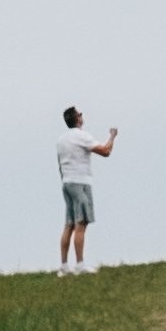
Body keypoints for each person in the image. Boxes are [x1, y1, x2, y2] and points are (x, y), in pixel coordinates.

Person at [57, 105, 116, 269]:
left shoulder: (61, 140)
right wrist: (112, 136)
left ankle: (63, 266)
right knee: (80, 224)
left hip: (67, 183)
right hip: (80, 182)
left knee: (69, 224)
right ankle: (80, 264)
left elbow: (60, 166)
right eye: (80, 114)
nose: (82, 116)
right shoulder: (81, 136)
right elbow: (105, 151)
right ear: (77, 118)